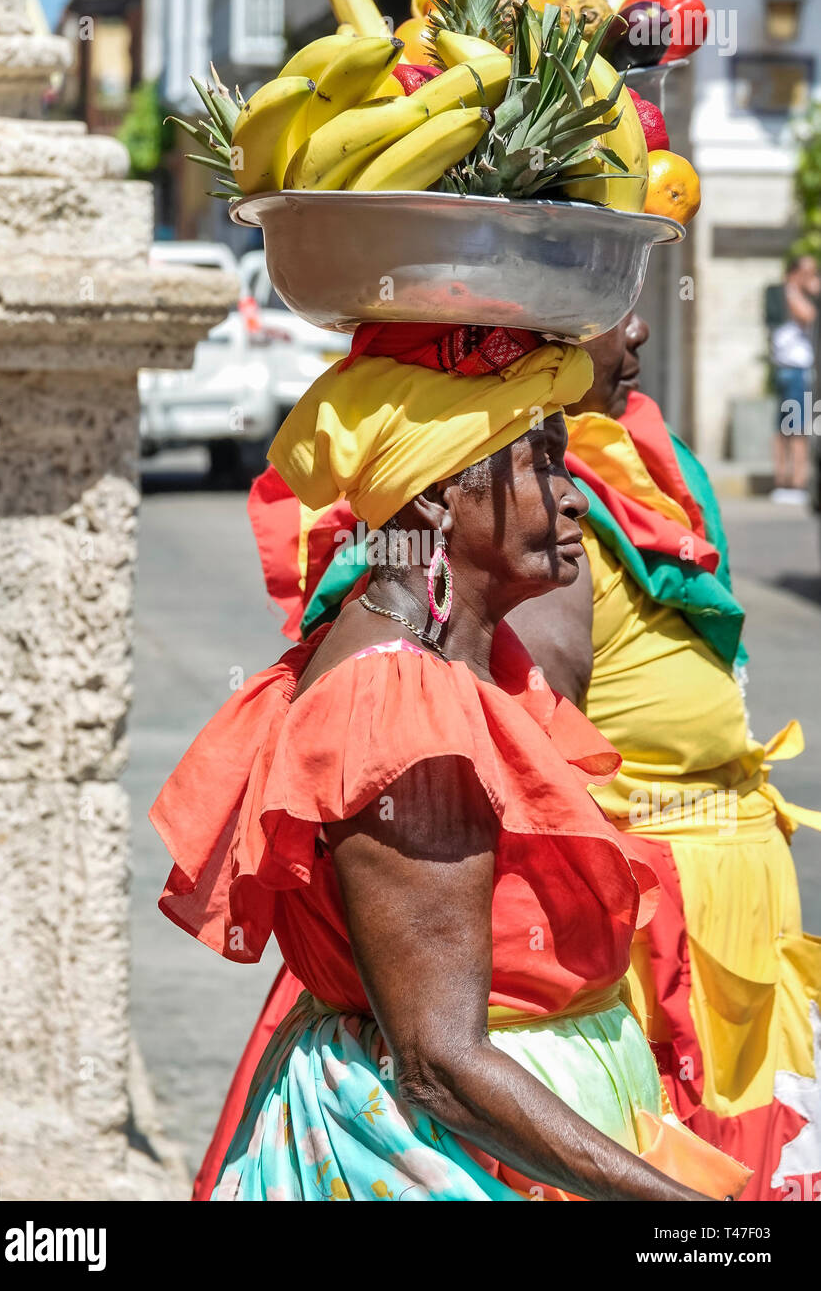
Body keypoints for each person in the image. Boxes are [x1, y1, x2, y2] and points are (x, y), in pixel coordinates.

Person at [208, 312, 820, 1204]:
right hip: (436, 1163)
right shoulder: (397, 710)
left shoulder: (460, 668)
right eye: (541, 463)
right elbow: (440, 1062)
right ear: (430, 500)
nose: (573, 498)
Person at [771, 253, 820, 504]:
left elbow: (808, 314)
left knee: (798, 427)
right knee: (783, 428)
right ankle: (784, 481)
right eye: (808, 272)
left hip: (798, 370)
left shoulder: (804, 295)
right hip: (786, 369)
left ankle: (798, 482)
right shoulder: (783, 293)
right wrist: (792, 286)